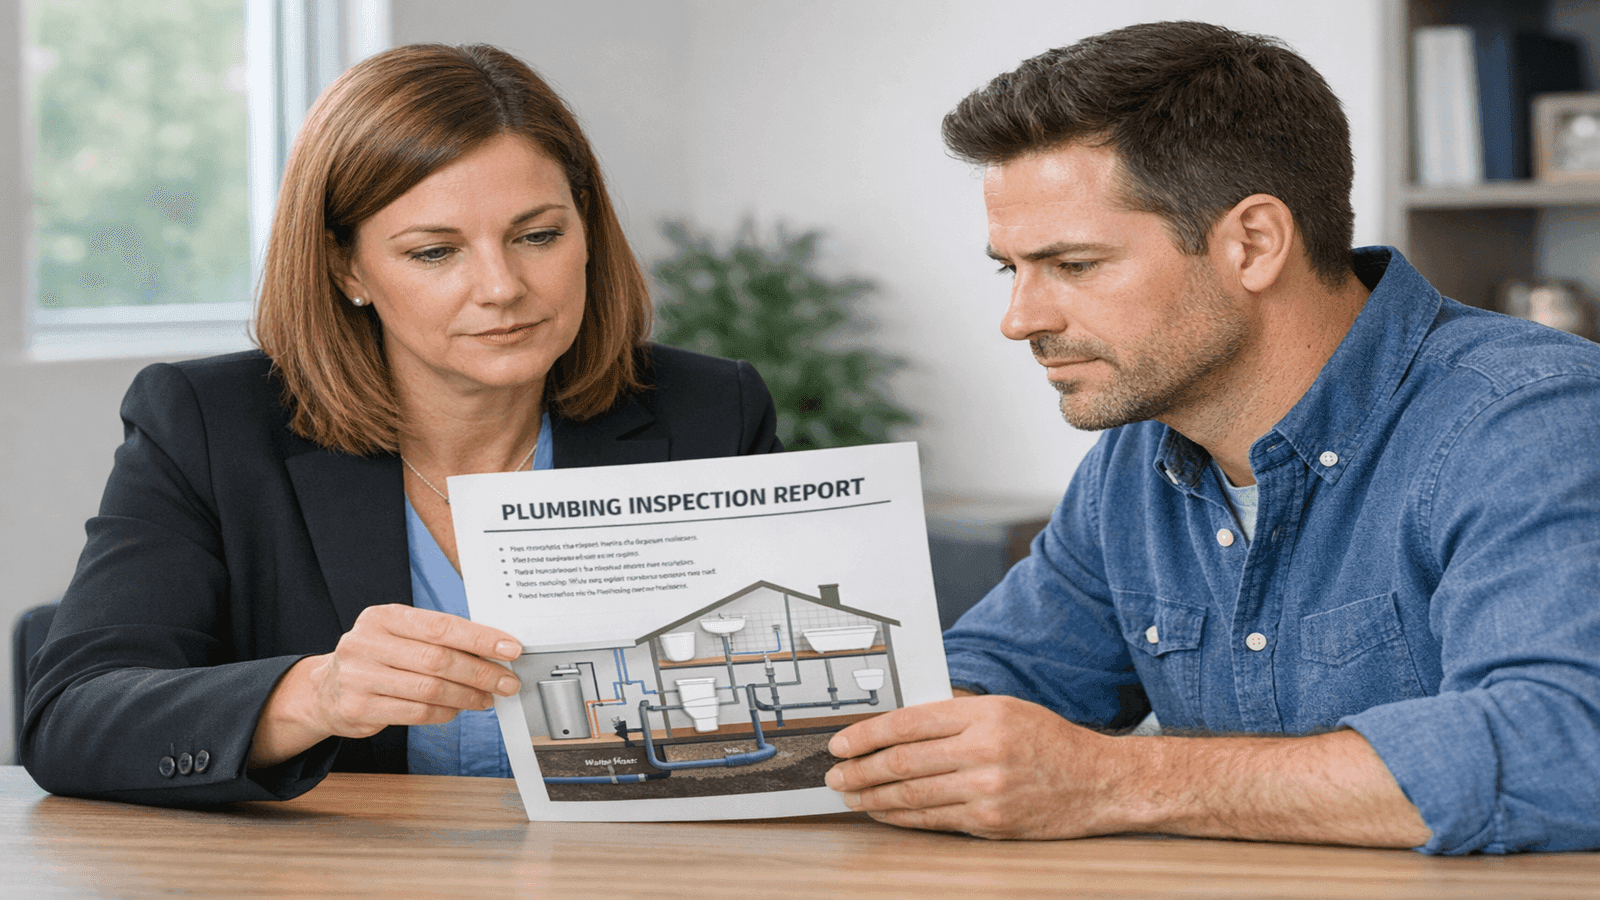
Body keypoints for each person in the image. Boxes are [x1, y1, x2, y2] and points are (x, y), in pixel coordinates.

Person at [825, 21, 1600, 855]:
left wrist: (1108, 780)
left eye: (1074, 265)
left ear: (1253, 243)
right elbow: (998, 677)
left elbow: (1566, 748)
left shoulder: (1528, 417)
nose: (1021, 319)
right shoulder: (1137, 457)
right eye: (1009, 269)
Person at [22, 43, 780, 804]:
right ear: (347, 269)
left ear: (588, 232)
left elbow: (798, 709)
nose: (501, 287)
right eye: (434, 252)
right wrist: (314, 695)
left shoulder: (714, 412)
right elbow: (69, 717)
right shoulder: (210, 426)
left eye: (538, 236)